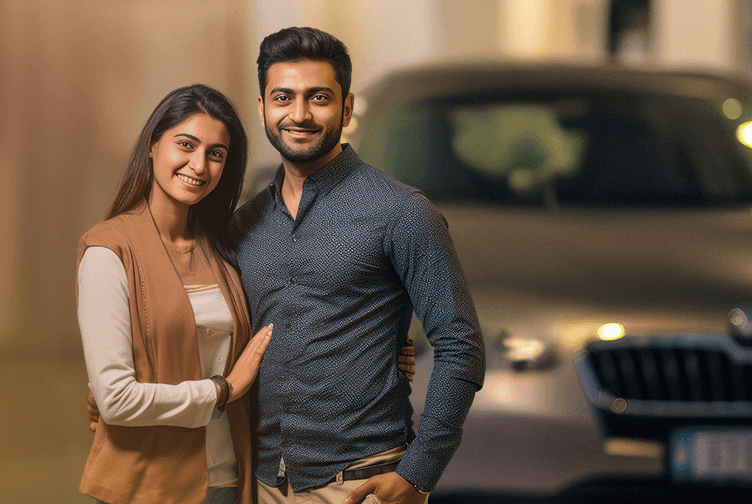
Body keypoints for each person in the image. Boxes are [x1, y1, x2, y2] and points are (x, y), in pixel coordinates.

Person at [232, 27, 486, 504]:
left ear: (346, 108)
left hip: (363, 484)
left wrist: (419, 471)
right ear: (263, 106)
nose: (300, 114)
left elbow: (461, 344)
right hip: (264, 484)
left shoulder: (401, 213)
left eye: (319, 97)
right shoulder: (244, 225)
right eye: (283, 97)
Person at [77, 84, 274, 504]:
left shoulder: (224, 249)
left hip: (227, 481)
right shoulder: (108, 251)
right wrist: (221, 390)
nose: (199, 165)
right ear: (152, 145)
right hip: (149, 488)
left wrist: (390, 345)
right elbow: (116, 400)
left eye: (216, 154)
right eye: (185, 144)